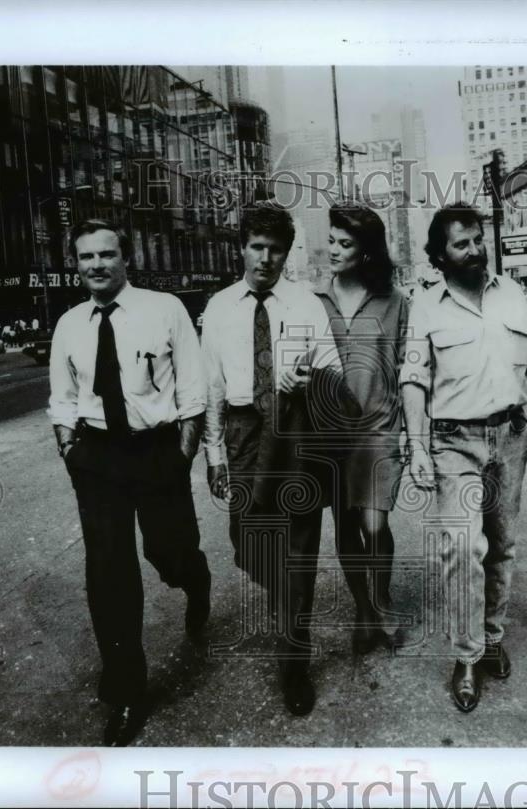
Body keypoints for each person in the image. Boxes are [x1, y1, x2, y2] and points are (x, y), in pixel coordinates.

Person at [47, 219, 211, 746]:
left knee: (169, 552)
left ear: (126, 258)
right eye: (85, 258)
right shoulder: (70, 323)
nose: (96, 265)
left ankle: (195, 576)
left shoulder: (165, 310)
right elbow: (63, 395)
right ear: (76, 265)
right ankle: (125, 693)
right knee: (109, 571)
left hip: (157, 450)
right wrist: (69, 447)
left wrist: (184, 451)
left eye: (106, 255)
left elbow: (192, 385)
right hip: (97, 458)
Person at [400, 204, 527, 713]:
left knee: (503, 544)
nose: (474, 250)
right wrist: (418, 447)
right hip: (454, 444)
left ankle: (493, 638)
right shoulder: (425, 305)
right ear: (439, 256)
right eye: (461, 244)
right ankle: (467, 656)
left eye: (477, 240)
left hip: (509, 436)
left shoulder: (513, 294)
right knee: (461, 549)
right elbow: (413, 378)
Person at [202, 202, 353, 716]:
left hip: (296, 433)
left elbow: (333, 370)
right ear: (241, 248)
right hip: (245, 435)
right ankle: (284, 597)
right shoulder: (219, 307)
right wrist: (214, 454)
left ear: (287, 253)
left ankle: (296, 663)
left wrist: (311, 379)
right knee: (248, 545)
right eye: (257, 247)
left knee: (300, 551)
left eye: (276, 250)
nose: (266, 259)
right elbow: (212, 389)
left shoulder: (306, 304)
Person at [313, 204, 408, 652]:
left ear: (366, 251)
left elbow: (409, 367)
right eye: (331, 240)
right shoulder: (313, 300)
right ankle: (363, 609)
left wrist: (411, 430)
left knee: (374, 524)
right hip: (331, 435)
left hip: (380, 429)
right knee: (346, 527)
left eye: (345, 244)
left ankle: (383, 599)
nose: (333, 250)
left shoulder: (394, 301)